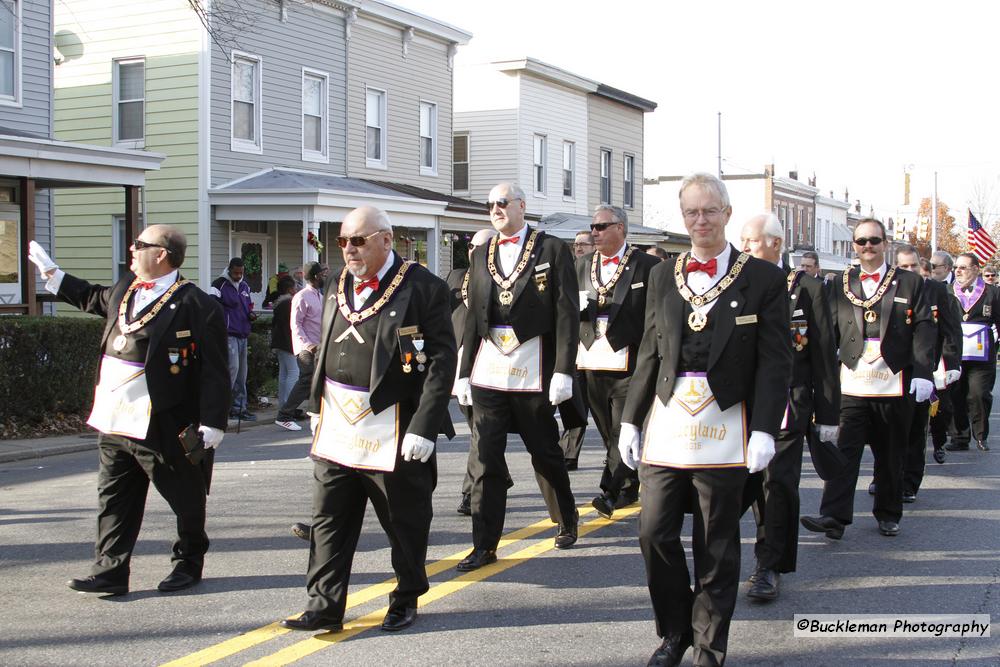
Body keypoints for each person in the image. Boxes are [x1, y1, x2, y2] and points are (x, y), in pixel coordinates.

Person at [617, 173, 792, 666]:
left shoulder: (763, 278)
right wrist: (630, 419)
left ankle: (709, 647)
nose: (700, 221)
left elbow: (776, 359)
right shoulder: (661, 274)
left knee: (716, 542)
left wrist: (763, 428)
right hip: (670, 420)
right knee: (654, 532)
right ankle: (675, 631)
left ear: (727, 214)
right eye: (692, 212)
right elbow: (650, 350)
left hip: (726, 422)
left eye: (709, 211)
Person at [280, 206, 456, 633]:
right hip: (339, 420)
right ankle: (324, 605)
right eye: (342, 241)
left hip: (392, 422)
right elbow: (325, 345)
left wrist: (425, 425)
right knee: (329, 518)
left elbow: (440, 359)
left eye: (357, 240)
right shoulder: (339, 281)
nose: (348, 249)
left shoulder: (423, 288)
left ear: (385, 239)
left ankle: (406, 594)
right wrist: (316, 403)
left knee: (402, 519)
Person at [27, 226, 229, 595]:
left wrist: (214, 421)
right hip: (115, 416)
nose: (132, 250)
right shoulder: (126, 288)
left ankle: (188, 561)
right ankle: (110, 570)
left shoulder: (196, 304)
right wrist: (53, 275)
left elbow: (216, 368)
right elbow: (92, 297)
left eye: (139, 245)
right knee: (114, 498)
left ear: (161, 254)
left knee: (184, 495)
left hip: (163, 420)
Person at [453, 182, 581, 571]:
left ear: (522, 206)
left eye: (502, 203)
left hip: (532, 362)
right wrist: (463, 372)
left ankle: (565, 518)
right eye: (490, 204)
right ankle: (484, 543)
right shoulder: (481, 255)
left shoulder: (552, 249)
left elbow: (567, 313)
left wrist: (563, 370)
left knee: (543, 449)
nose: (495, 209)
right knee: (485, 457)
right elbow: (475, 315)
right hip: (490, 366)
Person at [801, 219, 935, 542]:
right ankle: (833, 515)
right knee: (843, 450)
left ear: (885, 243)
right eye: (861, 242)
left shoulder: (909, 283)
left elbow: (924, 328)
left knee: (891, 452)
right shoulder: (841, 283)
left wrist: (923, 372)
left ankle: (888, 513)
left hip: (894, 377)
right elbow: (827, 331)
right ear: (854, 246)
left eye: (874, 240)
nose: (868, 247)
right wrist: (821, 375)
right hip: (853, 378)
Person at [738, 213, 839, 603]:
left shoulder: (808, 288)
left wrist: (828, 413)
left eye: (751, 241)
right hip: (739, 400)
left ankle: (769, 566)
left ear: (775, 243)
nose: (744, 248)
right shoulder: (738, 281)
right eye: (742, 242)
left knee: (777, 484)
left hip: (787, 400)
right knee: (734, 487)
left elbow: (823, 353)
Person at [576, 205, 659, 519]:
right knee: (607, 429)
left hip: (629, 360)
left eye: (602, 226)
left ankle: (609, 492)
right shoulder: (582, 265)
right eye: (593, 227)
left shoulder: (646, 265)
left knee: (621, 426)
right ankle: (627, 484)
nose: (595, 232)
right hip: (591, 358)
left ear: (621, 228)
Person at [447, 228, 512, 517]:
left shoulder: (505, 279)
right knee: (478, 431)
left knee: (480, 432)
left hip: (491, 364)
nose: (474, 250)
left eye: (481, 246)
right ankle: (497, 475)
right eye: (471, 245)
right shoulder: (455, 277)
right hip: (459, 364)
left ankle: (470, 491)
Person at [892, 247, 961, 499]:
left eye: (914, 267)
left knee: (915, 429)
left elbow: (951, 330)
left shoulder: (938, 291)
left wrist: (952, 363)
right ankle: (886, 477)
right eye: (904, 267)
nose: (910, 272)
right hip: (891, 370)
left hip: (923, 368)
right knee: (888, 430)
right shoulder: (888, 289)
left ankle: (909, 483)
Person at [946, 253, 1000, 452]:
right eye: (956, 268)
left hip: (982, 354)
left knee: (978, 394)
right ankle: (959, 437)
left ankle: (980, 435)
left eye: (963, 267)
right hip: (955, 353)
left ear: (976, 269)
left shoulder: (992, 292)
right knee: (956, 394)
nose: (958, 271)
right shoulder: (947, 291)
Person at [558, 230, 596, 469]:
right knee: (575, 402)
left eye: (583, 244)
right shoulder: (571, 271)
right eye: (576, 244)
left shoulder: (599, 271)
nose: (578, 248)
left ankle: (615, 455)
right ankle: (568, 453)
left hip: (605, 347)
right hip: (577, 345)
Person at [275, 261, 328, 431]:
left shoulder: (320, 296)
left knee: (320, 380)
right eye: (321, 275)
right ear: (314, 276)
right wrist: (306, 344)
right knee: (306, 380)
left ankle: (319, 413)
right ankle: (284, 415)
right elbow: (295, 324)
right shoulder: (302, 296)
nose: (323, 277)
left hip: (319, 346)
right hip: (306, 348)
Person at [211, 257, 256, 421]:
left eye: (241, 272)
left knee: (242, 374)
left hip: (243, 332)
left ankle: (239, 408)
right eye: (236, 273)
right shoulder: (218, 284)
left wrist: (250, 314)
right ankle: (220, 408)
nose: (238, 275)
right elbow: (212, 306)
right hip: (228, 333)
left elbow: (248, 305)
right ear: (229, 270)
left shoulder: (245, 286)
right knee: (232, 370)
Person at [270, 276, 299, 408]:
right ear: (289, 289)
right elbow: (292, 326)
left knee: (284, 374)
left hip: (279, 341)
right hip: (288, 342)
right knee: (294, 373)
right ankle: (289, 406)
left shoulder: (279, 303)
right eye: (294, 287)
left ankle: (283, 404)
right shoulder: (289, 304)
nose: (296, 289)